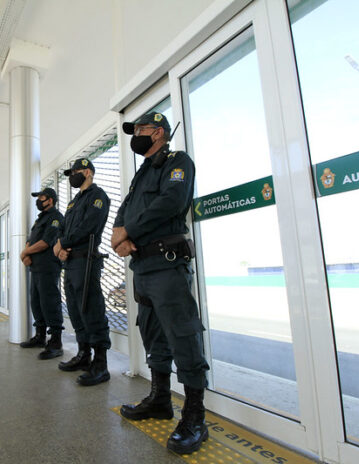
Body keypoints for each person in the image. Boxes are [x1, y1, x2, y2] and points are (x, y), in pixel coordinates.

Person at [112, 112, 210, 454]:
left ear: (159, 133)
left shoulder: (177, 161)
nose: (135, 135)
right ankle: (160, 399)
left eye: (140, 129)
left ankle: (195, 417)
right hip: (144, 267)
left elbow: (172, 201)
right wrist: (118, 234)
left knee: (182, 335)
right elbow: (125, 208)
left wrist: (130, 231)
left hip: (168, 264)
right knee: (152, 332)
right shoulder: (141, 173)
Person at [53, 158, 111, 386]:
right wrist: (61, 247)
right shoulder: (73, 202)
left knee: (91, 309)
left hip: (86, 260)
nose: (71, 177)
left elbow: (89, 227)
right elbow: (65, 228)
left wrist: (63, 243)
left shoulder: (98, 196)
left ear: (87, 172)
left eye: (75, 172)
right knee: (76, 311)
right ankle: (83, 354)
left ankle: (101, 363)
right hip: (71, 262)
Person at [19, 187, 65, 360]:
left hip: (48, 266)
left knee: (49, 303)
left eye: (41, 197)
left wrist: (24, 253)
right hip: (36, 267)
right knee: (36, 302)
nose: (38, 200)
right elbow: (30, 240)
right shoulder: (40, 220)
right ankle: (40, 336)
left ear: (50, 200)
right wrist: (26, 254)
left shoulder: (56, 218)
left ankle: (56, 342)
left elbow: (46, 242)